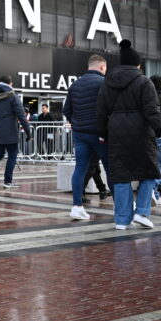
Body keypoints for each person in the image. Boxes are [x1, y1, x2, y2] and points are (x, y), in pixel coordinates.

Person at [96, 40, 161, 230]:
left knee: (120, 175)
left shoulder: (108, 82)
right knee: (149, 171)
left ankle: (122, 219)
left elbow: (101, 111)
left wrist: (102, 134)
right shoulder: (143, 81)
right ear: (138, 64)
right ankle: (142, 212)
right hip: (141, 132)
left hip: (116, 132)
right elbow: (152, 110)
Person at [63, 54, 107, 221]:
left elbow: (67, 110)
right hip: (99, 133)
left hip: (80, 134)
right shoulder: (103, 83)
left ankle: (77, 206)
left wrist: (75, 122)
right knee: (110, 168)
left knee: (80, 168)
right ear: (102, 67)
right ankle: (122, 208)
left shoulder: (75, 85)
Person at [0, 75, 31, 189]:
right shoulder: (13, 96)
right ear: (10, 83)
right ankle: (8, 181)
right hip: (10, 131)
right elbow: (21, 115)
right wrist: (28, 133)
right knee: (12, 156)